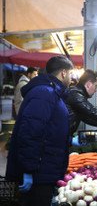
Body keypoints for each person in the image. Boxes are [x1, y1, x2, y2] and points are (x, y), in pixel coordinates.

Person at [6, 56, 74, 206]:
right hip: (39, 173)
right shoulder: (45, 94)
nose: (71, 78)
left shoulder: (51, 93)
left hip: (45, 169)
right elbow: (30, 132)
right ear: (63, 73)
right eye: (71, 74)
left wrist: (70, 141)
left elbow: (49, 129)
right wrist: (28, 170)